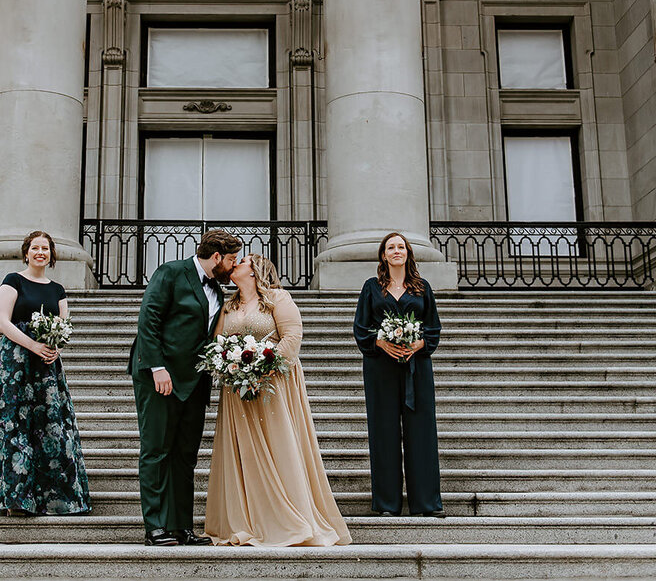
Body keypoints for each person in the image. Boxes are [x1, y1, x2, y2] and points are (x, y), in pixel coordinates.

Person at [205, 254, 351, 547]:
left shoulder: (277, 298)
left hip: (274, 385)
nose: (235, 265)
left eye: (242, 261)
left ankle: (288, 517)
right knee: (243, 451)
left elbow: (292, 336)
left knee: (279, 445)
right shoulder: (229, 305)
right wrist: (229, 366)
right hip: (237, 390)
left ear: (255, 269)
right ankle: (247, 519)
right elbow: (217, 343)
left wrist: (263, 369)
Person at [128, 229, 243, 546]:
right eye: (232, 260)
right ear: (216, 257)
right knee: (157, 451)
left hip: (195, 382)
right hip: (159, 378)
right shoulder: (171, 272)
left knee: (185, 457)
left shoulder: (218, 293)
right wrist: (157, 367)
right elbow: (148, 319)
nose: (234, 268)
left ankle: (181, 526)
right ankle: (155, 526)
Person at [0, 230, 91, 515]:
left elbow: (63, 326)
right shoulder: (13, 281)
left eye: (45, 248)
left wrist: (54, 347)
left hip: (46, 365)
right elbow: (2, 322)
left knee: (50, 424)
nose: (40, 252)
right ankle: (16, 499)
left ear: (51, 254)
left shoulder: (57, 290)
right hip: (16, 363)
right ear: (26, 252)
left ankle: (54, 498)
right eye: (35, 247)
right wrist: (33, 345)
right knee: (15, 424)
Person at [353, 232, 443, 517]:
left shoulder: (421, 288)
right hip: (381, 367)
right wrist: (380, 342)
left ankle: (426, 504)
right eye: (390, 247)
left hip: (416, 368)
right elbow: (360, 327)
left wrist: (419, 344)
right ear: (383, 255)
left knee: (422, 432)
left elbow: (433, 326)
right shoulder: (371, 288)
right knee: (384, 432)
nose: (396, 251)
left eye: (400, 247)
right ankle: (386, 504)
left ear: (407, 253)